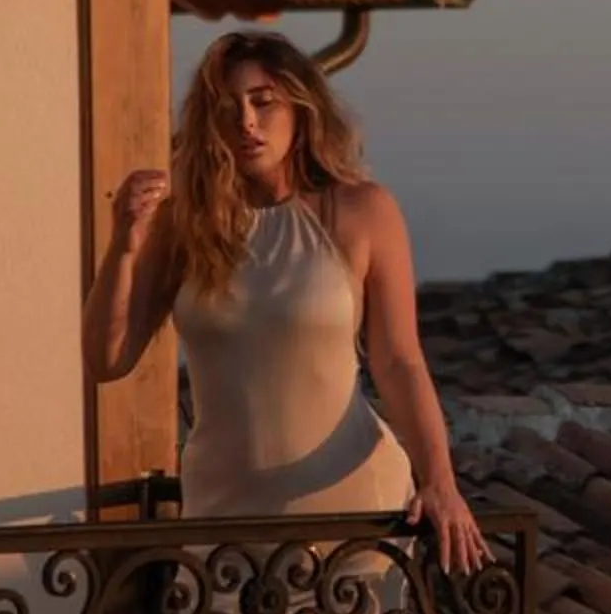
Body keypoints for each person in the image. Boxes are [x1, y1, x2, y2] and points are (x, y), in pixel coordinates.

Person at [81, 31, 487, 575]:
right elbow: (106, 360)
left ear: (302, 106)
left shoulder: (362, 211)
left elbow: (399, 361)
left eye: (262, 101)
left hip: (348, 509)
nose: (246, 121)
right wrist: (124, 245)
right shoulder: (186, 226)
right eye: (227, 107)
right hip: (221, 518)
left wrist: (440, 482)